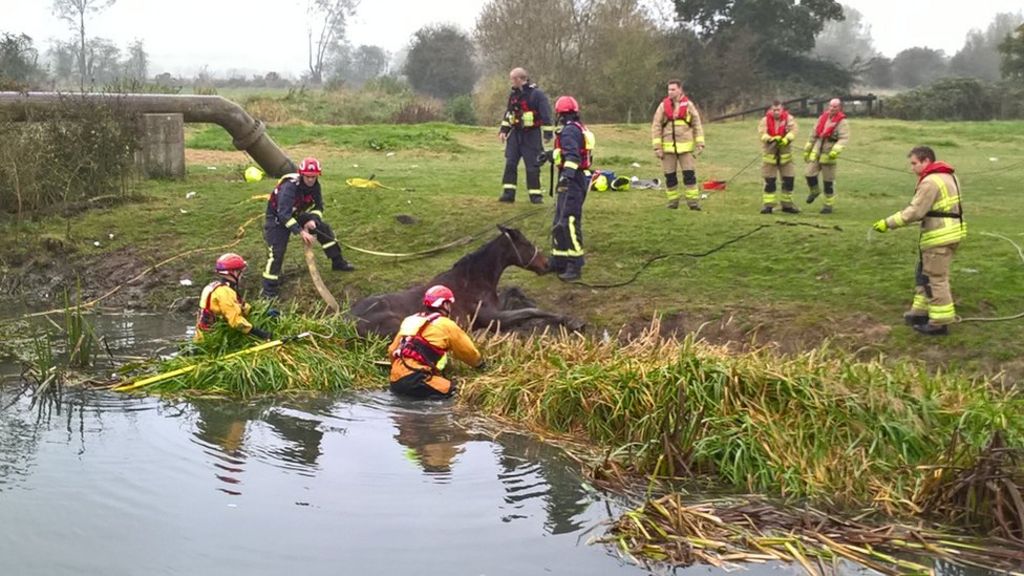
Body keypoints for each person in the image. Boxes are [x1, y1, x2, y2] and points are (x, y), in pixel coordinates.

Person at [872, 146, 966, 336]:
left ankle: (939, 323)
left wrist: (887, 223)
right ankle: (920, 312)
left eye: (914, 163)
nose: (912, 168)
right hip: (949, 232)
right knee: (923, 274)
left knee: (935, 278)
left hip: (938, 235)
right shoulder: (949, 176)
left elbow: (915, 212)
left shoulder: (930, 182)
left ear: (926, 161)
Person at [261, 156, 354, 299]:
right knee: (277, 252)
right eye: (308, 177)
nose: (311, 180)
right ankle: (269, 291)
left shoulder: (316, 186)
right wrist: (300, 231)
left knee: (324, 229)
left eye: (314, 177)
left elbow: (319, 206)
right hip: (277, 220)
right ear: (302, 174)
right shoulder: (289, 186)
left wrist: (313, 220)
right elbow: (283, 214)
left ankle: (338, 262)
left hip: (297, 213)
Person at [388, 285, 486, 399]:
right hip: (416, 380)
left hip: (395, 380)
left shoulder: (410, 320)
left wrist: (399, 371)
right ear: (444, 304)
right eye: (448, 303)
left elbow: (392, 350)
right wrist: (481, 366)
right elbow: (468, 352)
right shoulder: (446, 324)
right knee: (458, 393)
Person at [548, 95, 593, 282]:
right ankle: (559, 260)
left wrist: (566, 177)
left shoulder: (568, 132)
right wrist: (548, 155)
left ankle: (575, 265)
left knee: (569, 222)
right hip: (574, 179)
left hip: (573, 181)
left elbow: (573, 157)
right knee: (559, 220)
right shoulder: (576, 129)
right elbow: (565, 153)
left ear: (560, 113)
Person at [498, 68, 553, 204]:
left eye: (512, 79)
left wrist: (547, 134)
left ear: (519, 79)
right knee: (510, 163)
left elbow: (546, 114)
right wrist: (504, 130)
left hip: (531, 135)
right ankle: (508, 193)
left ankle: (535, 195)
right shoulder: (514, 95)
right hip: (515, 134)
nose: (511, 81)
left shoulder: (537, 94)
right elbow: (509, 114)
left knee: (532, 165)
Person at [651, 80, 705, 210]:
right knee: (670, 177)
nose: (670, 92)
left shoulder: (689, 106)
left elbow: (697, 124)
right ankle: (672, 203)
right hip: (668, 149)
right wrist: (657, 148)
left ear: (680, 90)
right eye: (669, 90)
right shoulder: (663, 107)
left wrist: (700, 143)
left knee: (689, 176)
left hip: (685, 149)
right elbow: (656, 126)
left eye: (673, 89)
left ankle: (693, 203)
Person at [195, 253, 271, 342]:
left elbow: (238, 305)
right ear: (234, 272)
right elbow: (235, 321)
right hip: (213, 340)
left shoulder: (216, 286)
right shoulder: (225, 292)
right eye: (240, 272)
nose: (242, 275)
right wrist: (261, 334)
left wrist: (259, 312)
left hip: (203, 336)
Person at [804, 98, 850, 214]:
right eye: (831, 106)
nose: (832, 108)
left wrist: (835, 151)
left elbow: (844, 138)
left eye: (835, 107)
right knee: (809, 174)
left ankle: (828, 205)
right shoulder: (822, 118)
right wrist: (808, 147)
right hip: (817, 150)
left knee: (828, 182)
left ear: (839, 108)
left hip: (829, 153)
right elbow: (814, 133)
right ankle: (814, 191)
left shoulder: (842, 122)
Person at [757, 101, 799, 214]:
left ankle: (787, 205)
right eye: (774, 110)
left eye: (778, 110)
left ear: (782, 110)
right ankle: (768, 206)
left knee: (789, 180)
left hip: (786, 156)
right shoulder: (764, 120)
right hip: (770, 155)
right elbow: (762, 133)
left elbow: (794, 131)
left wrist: (786, 139)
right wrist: (771, 139)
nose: (776, 112)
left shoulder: (789, 119)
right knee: (769, 181)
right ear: (771, 110)